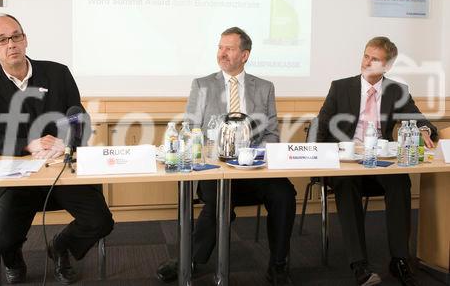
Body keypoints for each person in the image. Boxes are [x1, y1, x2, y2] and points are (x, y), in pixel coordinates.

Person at [0, 14, 114, 284]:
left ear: (25, 39)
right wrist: (27, 143)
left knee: (101, 221)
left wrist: (67, 141)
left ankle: (60, 247)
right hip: (17, 177)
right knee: (2, 241)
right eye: (2, 39)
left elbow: (79, 118)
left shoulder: (58, 73)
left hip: (61, 172)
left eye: (16, 36)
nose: (11, 44)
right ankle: (13, 258)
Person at [156, 27, 296, 285]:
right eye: (220, 47)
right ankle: (189, 261)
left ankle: (278, 264)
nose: (222, 53)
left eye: (229, 48)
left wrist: (253, 155)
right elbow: (191, 130)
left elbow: (272, 134)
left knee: (285, 194)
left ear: (245, 55)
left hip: (253, 168)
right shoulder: (202, 85)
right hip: (214, 168)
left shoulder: (264, 88)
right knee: (218, 202)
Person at [316, 36, 437, 286]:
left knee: (400, 182)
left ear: (387, 66)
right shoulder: (340, 87)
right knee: (347, 186)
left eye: (375, 59)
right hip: (347, 162)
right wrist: (318, 159)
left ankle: (400, 259)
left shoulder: (397, 91)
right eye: (365, 56)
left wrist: (425, 130)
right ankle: (359, 264)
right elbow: (322, 126)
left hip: (381, 159)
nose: (367, 62)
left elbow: (421, 120)